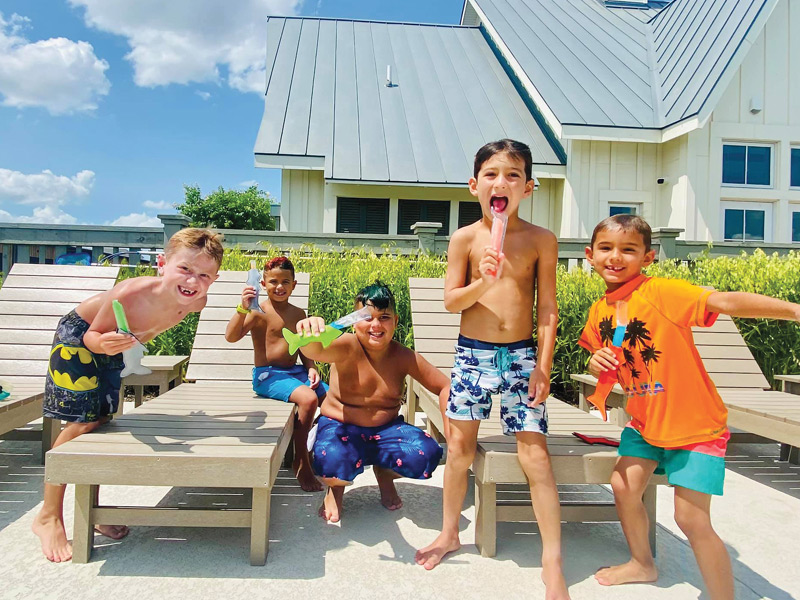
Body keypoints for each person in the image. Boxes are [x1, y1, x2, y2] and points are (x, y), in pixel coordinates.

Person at [579, 214, 800, 600]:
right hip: (646, 424)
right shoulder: (599, 310)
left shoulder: (662, 292)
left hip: (696, 426)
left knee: (691, 518)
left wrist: (796, 311)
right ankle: (642, 563)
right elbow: (608, 358)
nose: (616, 257)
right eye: (606, 248)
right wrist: (595, 362)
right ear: (590, 255)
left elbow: (725, 302)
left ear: (647, 258)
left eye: (628, 249)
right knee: (622, 485)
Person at [415, 139, 568, 599]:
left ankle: (552, 558)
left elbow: (547, 310)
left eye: (513, 175)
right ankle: (449, 532)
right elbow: (450, 302)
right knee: (459, 448)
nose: (501, 182)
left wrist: (542, 367)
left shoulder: (541, 239)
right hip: (472, 355)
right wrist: (484, 279)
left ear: (529, 187)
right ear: (474, 185)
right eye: (492, 174)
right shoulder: (465, 239)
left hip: (522, 357)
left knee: (535, 456)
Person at [32, 228, 224, 563]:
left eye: (203, 275)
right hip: (79, 341)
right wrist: (104, 344)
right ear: (162, 264)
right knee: (79, 426)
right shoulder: (131, 292)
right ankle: (48, 514)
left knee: (101, 423)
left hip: (112, 351)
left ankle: (91, 508)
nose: (193, 281)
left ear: (214, 279)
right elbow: (92, 335)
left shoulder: (198, 302)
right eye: (185, 269)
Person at [294, 282, 447, 523]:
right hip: (340, 426)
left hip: (385, 431)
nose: (375, 325)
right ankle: (335, 488)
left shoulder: (403, 357)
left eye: (384, 317)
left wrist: (452, 430)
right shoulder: (346, 347)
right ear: (354, 323)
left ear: (396, 321)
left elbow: (444, 386)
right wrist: (308, 333)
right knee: (331, 460)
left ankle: (384, 472)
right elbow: (315, 350)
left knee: (426, 455)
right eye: (367, 317)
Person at [225, 256, 327, 492]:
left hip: (297, 373)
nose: (279, 287)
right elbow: (231, 337)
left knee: (336, 400)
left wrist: (311, 367)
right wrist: (242, 307)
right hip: (267, 376)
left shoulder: (299, 313)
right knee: (309, 399)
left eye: (285, 281)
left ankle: (311, 442)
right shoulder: (258, 311)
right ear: (263, 284)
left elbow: (304, 346)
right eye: (273, 282)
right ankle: (300, 460)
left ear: (294, 284)